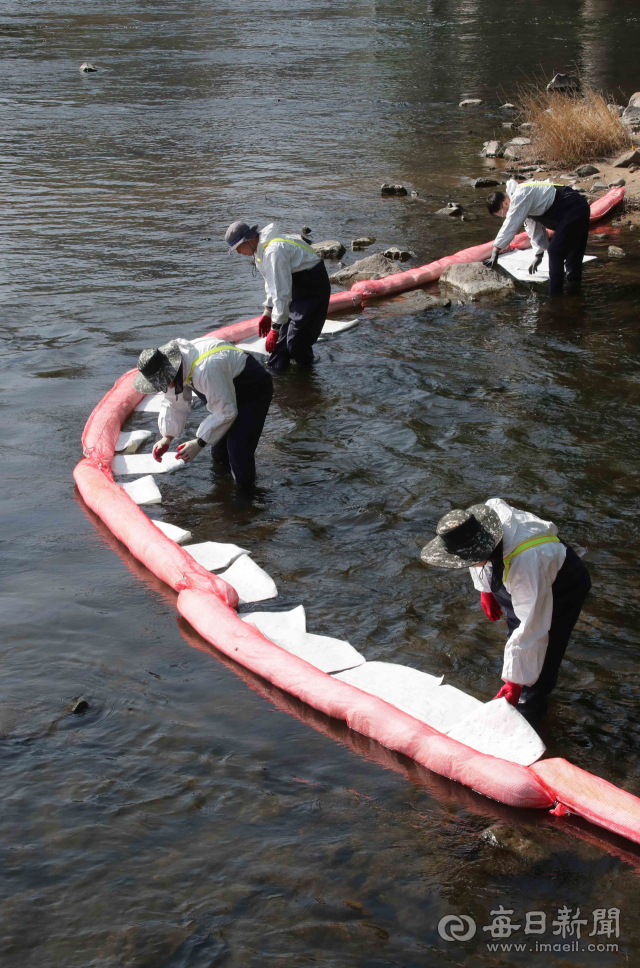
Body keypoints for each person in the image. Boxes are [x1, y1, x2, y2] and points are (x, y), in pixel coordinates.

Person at [420, 498, 591, 723]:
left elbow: (532, 627)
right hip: (520, 572)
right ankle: (521, 685)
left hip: (561, 584)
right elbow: (474, 558)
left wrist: (514, 681)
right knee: (519, 640)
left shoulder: (526, 563)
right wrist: (486, 590)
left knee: (543, 652)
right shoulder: (480, 523)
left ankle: (530, 713)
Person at [133, 337, 273, 488]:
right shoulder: (177, 366)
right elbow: (175, 403)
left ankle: (246, 497)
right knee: (219, 452)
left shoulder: (205, 370)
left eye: (163, 383)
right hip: (224, 389)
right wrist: (166, 438)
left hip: (252, 390)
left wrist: (199, 442)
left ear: (170, 372)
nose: (162, 387)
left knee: (238, 451)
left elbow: (226, 412)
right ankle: (224, 488)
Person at [224, 220, 331, 372]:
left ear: (247, 240)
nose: (238, 252)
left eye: (237, 248)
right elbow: (271, 284)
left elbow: (282, 292)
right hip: (296, 286)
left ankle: (307, 374)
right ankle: (276, 378)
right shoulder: (260, 251)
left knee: (296, 344)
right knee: (279, 351)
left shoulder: (273, 251)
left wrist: (275, 328)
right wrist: (267, 312)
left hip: (312, 287)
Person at [483, 179, 591, 296]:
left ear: (505, 203)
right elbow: (534, 229)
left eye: (502, 213)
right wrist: (538, 254)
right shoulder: (522, 203)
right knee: (572, 257)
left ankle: (555, 298)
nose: (505, 216)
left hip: (574, 207)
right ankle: (574, 296)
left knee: (555, 251)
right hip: (572, 211)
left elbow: (510, 224)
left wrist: (496, 249)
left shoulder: (521, 195)